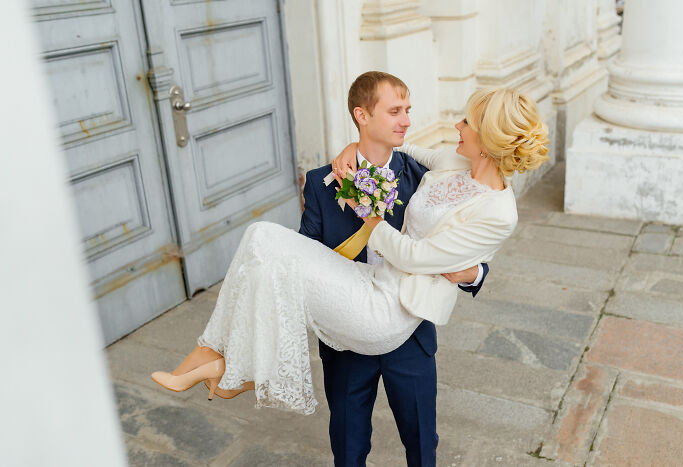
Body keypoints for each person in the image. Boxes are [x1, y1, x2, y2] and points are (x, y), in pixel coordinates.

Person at [151, 73, 549, 466]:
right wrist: (351, 149)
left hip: (400, 319)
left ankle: (243, 366)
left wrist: (371, 217)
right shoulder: (442, 163)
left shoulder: (495, 210)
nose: (456, 125)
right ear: (362, 115)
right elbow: (308, 249)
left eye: (468, 122)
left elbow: (420, 256)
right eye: (396, 110)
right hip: (352, 308)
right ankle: (218, 357)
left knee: (422, 444)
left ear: (489, 139)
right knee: (260, 237)